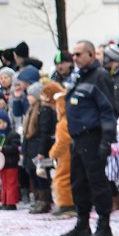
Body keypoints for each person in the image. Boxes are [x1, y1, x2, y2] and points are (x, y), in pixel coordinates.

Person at [59, 40, 119, 236]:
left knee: (97, 182)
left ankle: (104, 225)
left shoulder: (100, 76)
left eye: (78, 54)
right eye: (73, 55)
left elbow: (108, 111)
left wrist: (106, 140)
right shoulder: (79, 76)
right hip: (78, 138)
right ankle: (82, 223)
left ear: (91, 54)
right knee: (78, 182)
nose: (74, 58)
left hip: (92, 136)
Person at [23, 83, 57, 214]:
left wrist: (41, 152)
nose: (28, 98)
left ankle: (44, 201)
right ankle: (38, 199)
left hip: (40, 150)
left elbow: (44, 133)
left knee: (41, 175)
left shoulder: (44, 111)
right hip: (31, 148)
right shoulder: (31, 109)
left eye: (31, 95)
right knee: (32, 173)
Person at [45, 81, 75, 217]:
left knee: (61, 178)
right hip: (70, 154)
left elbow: (62, 142)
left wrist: (52, 153)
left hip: (65, 156)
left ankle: (65, 203)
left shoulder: (62, 123)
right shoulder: (69, 120)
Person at [0, 110, 21, 210]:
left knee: (11, 183)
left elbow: (15, 147)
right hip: (1, 164)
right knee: (4, 183)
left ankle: (11, 203)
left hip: (11, 163)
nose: (2, 125)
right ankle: (5, 201)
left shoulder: (13, 134)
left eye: (4, 122)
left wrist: (3, 149)